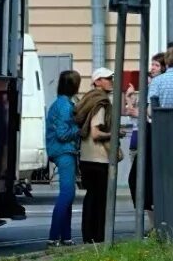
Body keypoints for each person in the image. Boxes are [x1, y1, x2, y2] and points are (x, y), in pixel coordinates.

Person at [75, 68, 117, 245]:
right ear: (97, 81)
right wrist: (114, 134)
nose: (111, 81)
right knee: (100, 199)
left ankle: (88, 235)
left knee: (91, 197)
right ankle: (98, 237)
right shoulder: (101, 103)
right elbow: (95, 133)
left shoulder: (88, 99)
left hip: (86, 157)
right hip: (99, 157)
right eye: (107, 78)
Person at [126, 52, 166, 218]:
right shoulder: (149, 88)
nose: (152, 69)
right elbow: (133, 114)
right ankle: (152, 224)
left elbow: (150, 114)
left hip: (149, 138)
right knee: (141, 181)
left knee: (143, 181)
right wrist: (130, 99)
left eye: (156, 65)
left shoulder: (156, 86)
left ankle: (153, 224)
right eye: (152, 65)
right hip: (141, 137)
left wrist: (138, 112)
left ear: (164, 67)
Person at [45, 69, 82, 247]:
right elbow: (63, 133)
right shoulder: (66, 106)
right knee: (67, 194)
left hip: (58, 150)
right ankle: (54, 236)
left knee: (68, 194)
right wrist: (79, 129)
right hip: (64, 151)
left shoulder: (57, 104)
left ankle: (65, 236)